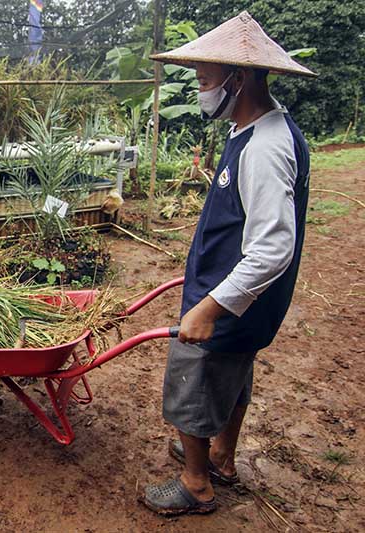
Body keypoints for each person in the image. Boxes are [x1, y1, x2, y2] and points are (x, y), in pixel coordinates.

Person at [143, 11, 316, 515]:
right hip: (241, 299)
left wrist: (207, 309)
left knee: (190, 383)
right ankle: (221, 456)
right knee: (233, 376)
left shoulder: (264, 148)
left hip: (229, 302)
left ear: (238, 80)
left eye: (204, 81)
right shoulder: (261, 129)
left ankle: (195, 484)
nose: (199, 91)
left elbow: (272, 248)